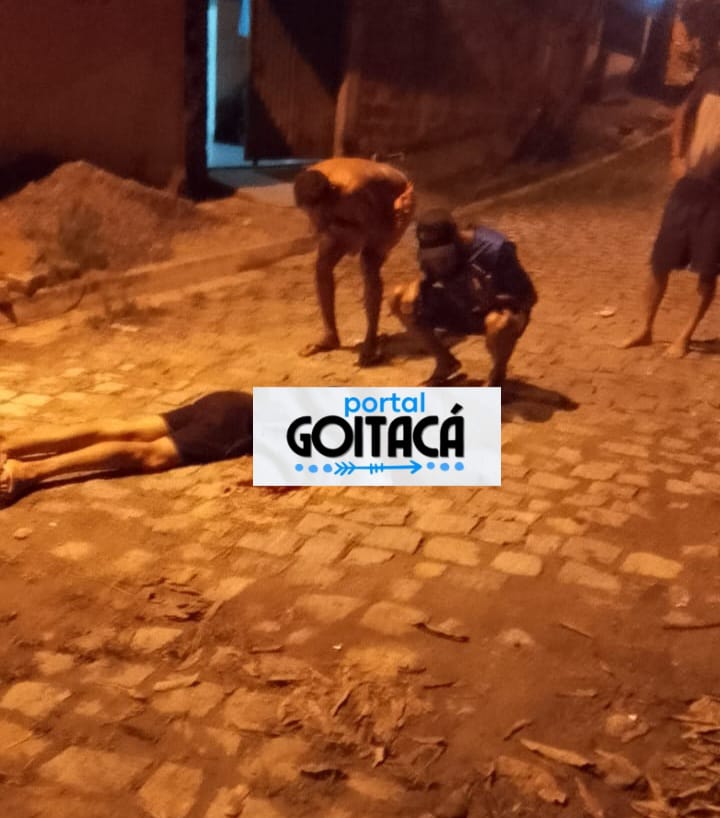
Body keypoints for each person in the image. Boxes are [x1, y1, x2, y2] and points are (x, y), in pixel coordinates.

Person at [622, 58, 720, 358]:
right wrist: (676, 156)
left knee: (707, 270)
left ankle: (684, 337)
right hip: (688, 187)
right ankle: (645, 328)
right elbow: (682, 114)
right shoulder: (711, 77)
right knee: (660, 261)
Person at [0, 391, 252, 506]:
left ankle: (6, 446)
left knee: (127, 429)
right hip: (235, 423)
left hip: (229, 400)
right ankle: (28, 472)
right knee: (151, 455)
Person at [390, 210, 537, 387]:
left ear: (457, 239)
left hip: (492, 311)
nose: (438, 262)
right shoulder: (428, 250)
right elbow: (429, 277)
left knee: (499, 324)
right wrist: (416, 288)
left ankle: (497, 374)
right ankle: (445, 362)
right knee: (399, 298)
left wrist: (493, 299)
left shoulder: (495, 249)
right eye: (432, 256)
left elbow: (529, 296)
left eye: (444, 256)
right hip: (460, 305)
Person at [293, 157, 415, 366]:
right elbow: (325, 225)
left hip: (393, 200)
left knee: (370, 262)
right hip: (354, 206)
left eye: (316, 210)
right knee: (323, 265)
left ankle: (371, 337)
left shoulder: (354, 193)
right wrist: (328, 226)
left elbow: (368, 232)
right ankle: (330, 335)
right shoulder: (308, 183)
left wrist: (343, 236)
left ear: (328, 199)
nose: (312, 215)